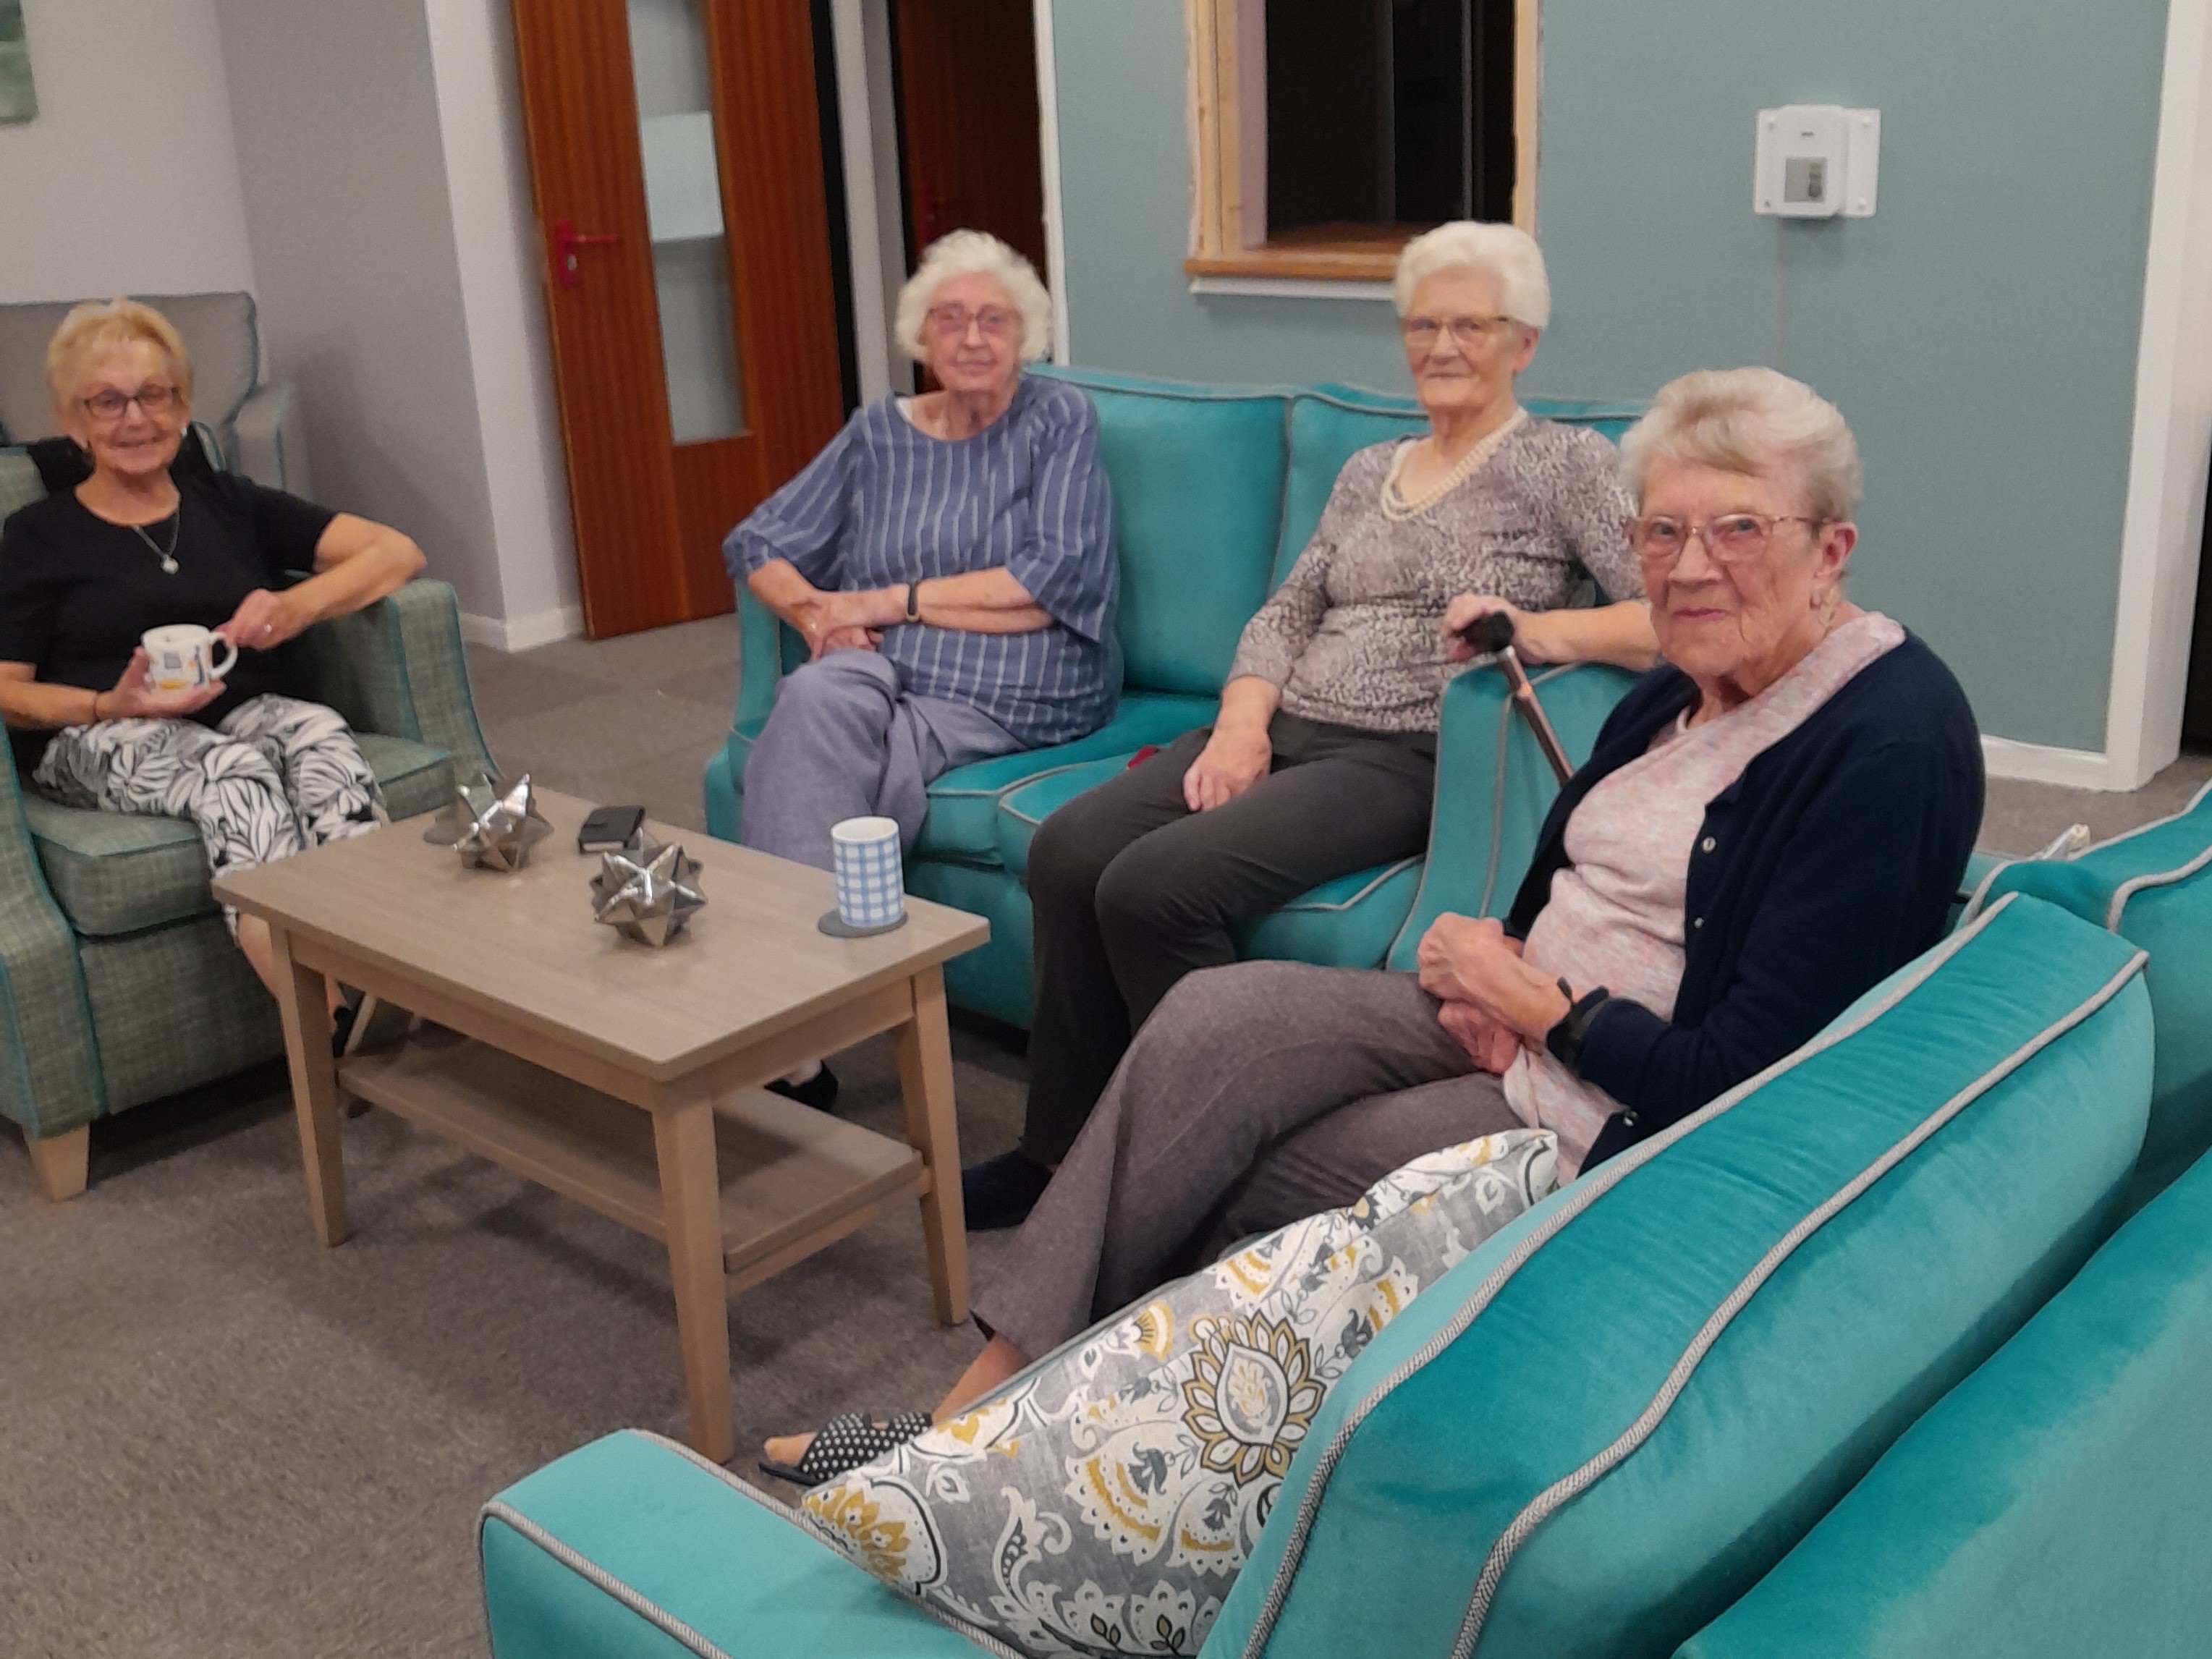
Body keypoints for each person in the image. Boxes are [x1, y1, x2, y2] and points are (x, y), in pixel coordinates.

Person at [767, 365, 1983, 1482]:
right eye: (1660, 530)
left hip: (1597, 1108)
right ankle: (968, 1420)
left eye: (1737, 529)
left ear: (1831, 549)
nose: (1687, 563)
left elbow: (1755, 1080)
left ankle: (1014, 1457)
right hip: (1510, 1019)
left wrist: (1533, 1005)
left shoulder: (1887, 742)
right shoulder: (1688, 673)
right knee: (1204, 1024)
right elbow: (1576, 860)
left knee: (1242, 1167)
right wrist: (1495, 964)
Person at [963, 220, 1656, 1229]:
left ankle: (1219, 1159)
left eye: (1471, 324)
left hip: (1402, 752)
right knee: (1070, 849)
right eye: (1424, 324)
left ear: (1524, 343)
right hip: (1284, 720)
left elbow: (1659, 616)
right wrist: (1243, 719)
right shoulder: (1368, 467)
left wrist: (1534, 630)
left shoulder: (1563, 462)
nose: (1443, 346)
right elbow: (1290, 605)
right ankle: (1055, 1154)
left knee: (1154, 889)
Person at [724, 230, 1116, 1110]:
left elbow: (1051, 586)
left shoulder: (1056, 420)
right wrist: (817, 611)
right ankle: (802, 1003)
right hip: (883, 671)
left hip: (1021, 681)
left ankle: (779, 1017)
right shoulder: (875, 433)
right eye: (951, 319)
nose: (974, 338)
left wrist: (883, 601)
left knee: (819, 718)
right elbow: (758, 541)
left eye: (994, 320)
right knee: (825, 693)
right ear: (919, 336)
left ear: (1027, 336)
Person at [0, 300, 425, 1045]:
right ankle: (329, 1028)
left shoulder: (229, 503)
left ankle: (389, 976)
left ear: (182, 406)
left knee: (321, 734)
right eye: (108, 400)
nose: (134, 418)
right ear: (76, 422)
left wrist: (295, 607)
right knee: (232, 774)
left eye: (153, 395)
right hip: (98, 735)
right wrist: (109, 702)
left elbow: (396, 551)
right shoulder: (39, 535)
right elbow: (7, 688)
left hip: (234, 706)